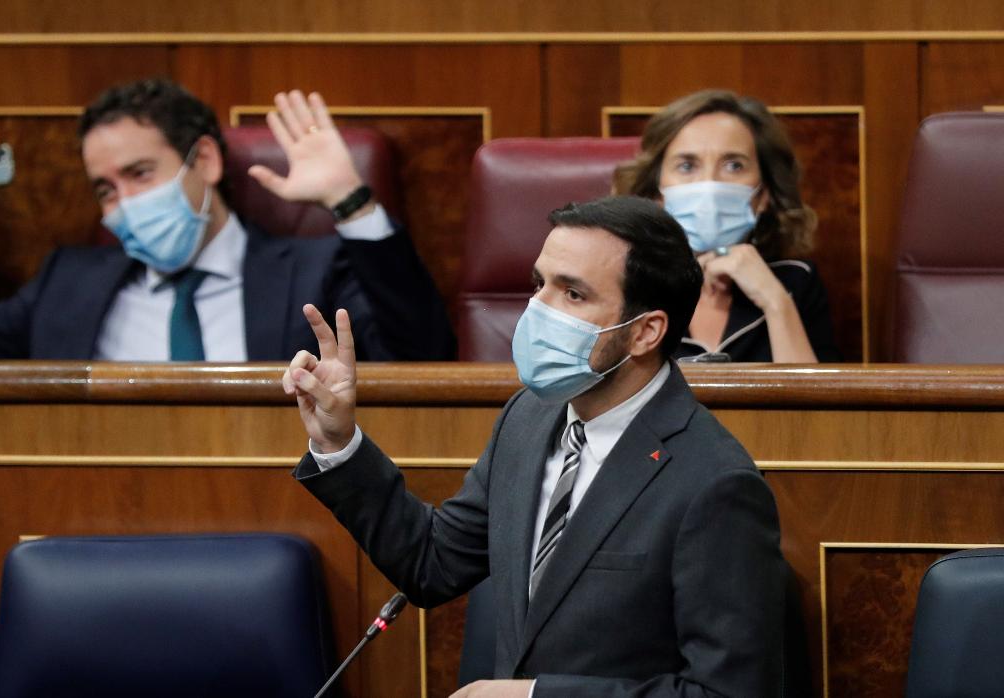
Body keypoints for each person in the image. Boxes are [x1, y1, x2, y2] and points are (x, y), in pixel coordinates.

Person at [284, 196, 786, 696]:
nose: (536, 308)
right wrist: (338, 440)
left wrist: (533, 697)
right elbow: (433, 564)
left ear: (645, 332)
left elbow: (730, 693)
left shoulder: (716, 483)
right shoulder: (529, 417)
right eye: (539, 283)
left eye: (572, 294)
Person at [0, 79, 455, 362]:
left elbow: (422, 356)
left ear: (205, 160)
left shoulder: (315, 269)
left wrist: (351, 201)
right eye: (106, 189)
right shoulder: (67, 283)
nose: (123, 203)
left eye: (140, 173)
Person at [614, 89, 840, 363]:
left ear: (764, 195)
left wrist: (776, 302)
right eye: (687, 166)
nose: (709, 184)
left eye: (733, 165)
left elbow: (813, 404)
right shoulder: (626, 283)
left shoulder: (795, 281)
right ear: (657, 193)